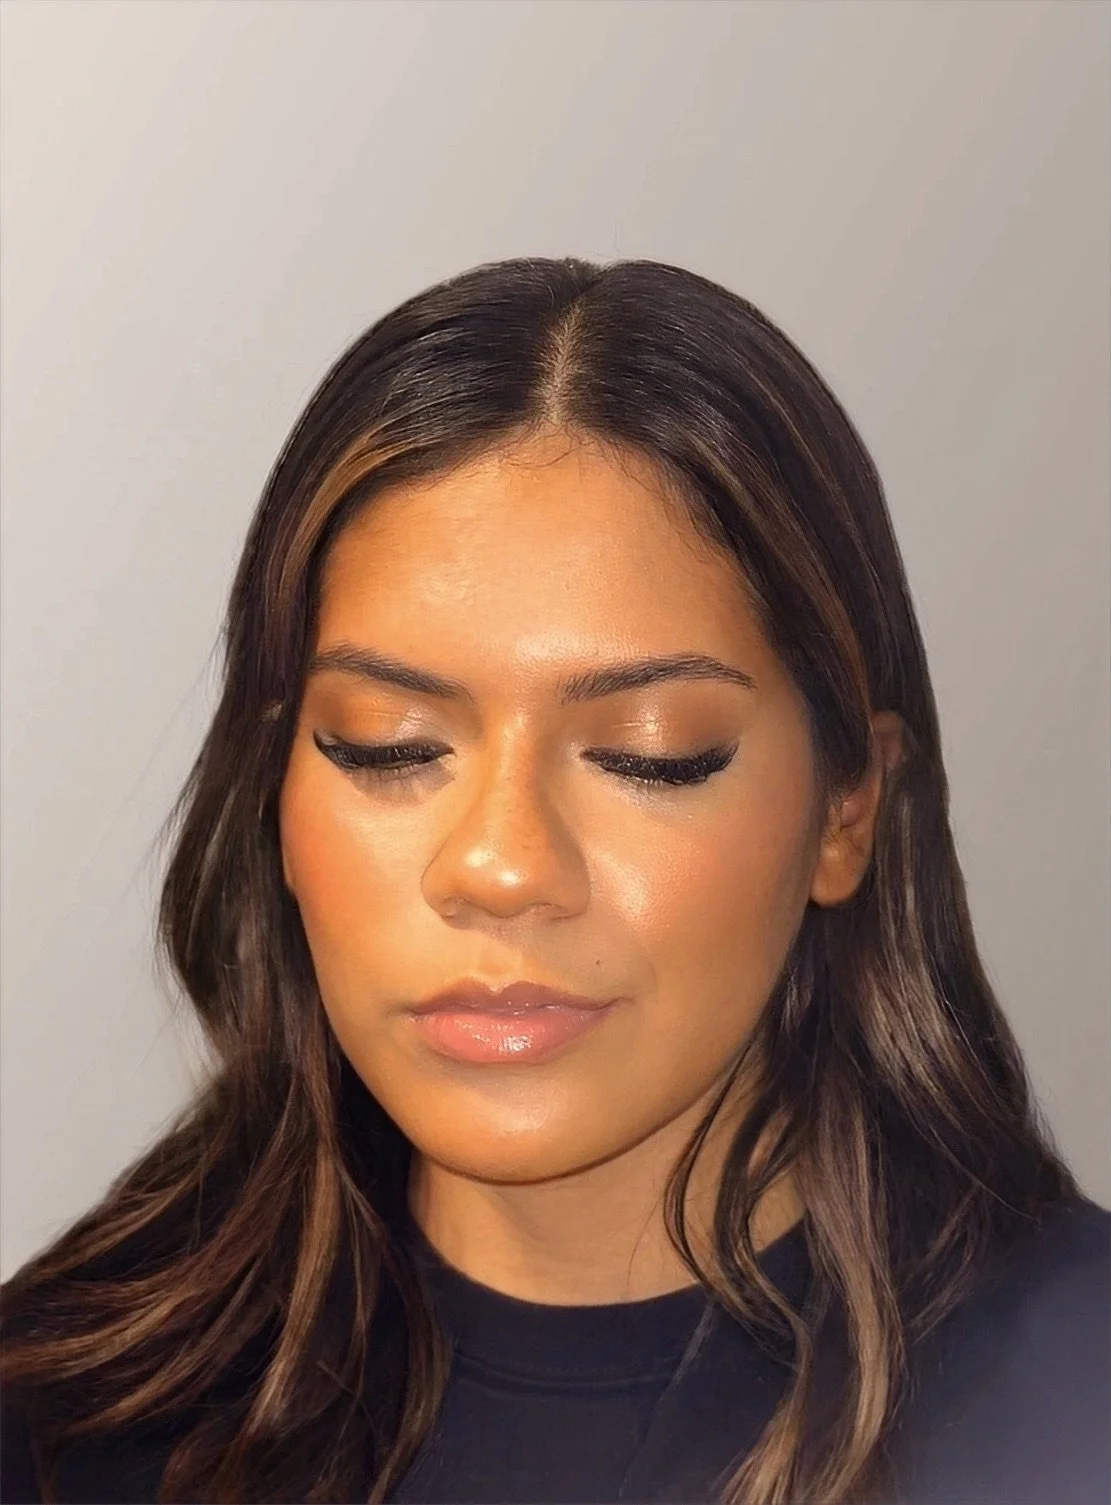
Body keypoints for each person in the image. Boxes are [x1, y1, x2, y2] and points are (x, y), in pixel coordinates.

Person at [1, 257, 1107, 1505]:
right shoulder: (60, 1424)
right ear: (270, 791)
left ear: (847, 809)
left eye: (652, 754)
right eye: (389, 744)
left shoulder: (1071, 1406)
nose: (502, 866)